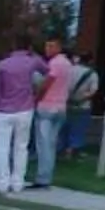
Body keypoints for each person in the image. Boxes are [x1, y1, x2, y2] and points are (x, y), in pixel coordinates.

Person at [0, 38, 43, 195]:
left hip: (4, 110)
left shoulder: (2, 64)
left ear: (13, 46)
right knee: (21, 147)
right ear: (29, 47)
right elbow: (46, 70)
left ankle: (2, 183)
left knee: (2, 148)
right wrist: (34, 55)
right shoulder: (32, 62)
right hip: (25, 109)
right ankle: (17, 183)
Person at [30, 35, 74, 189]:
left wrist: (36, 99)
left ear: (59, 48)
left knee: (43, 145)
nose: (47, 49)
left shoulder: (55, 64)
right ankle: (47, 176)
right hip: (61, 107)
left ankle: (43, 178)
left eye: (51, 46)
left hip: (47, 107)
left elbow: (46, 84)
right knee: (51, 144)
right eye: (47, 46)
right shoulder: (68, 64)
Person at [60, 52, 99, 161]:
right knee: (79, 128)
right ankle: (73, 149)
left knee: (64, 127)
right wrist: (81, 98)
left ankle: (62, 148)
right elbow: (93, 91)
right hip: (83, 105)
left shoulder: (69, 70)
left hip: (66, 103)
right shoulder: (92, 74)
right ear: (90, 61)